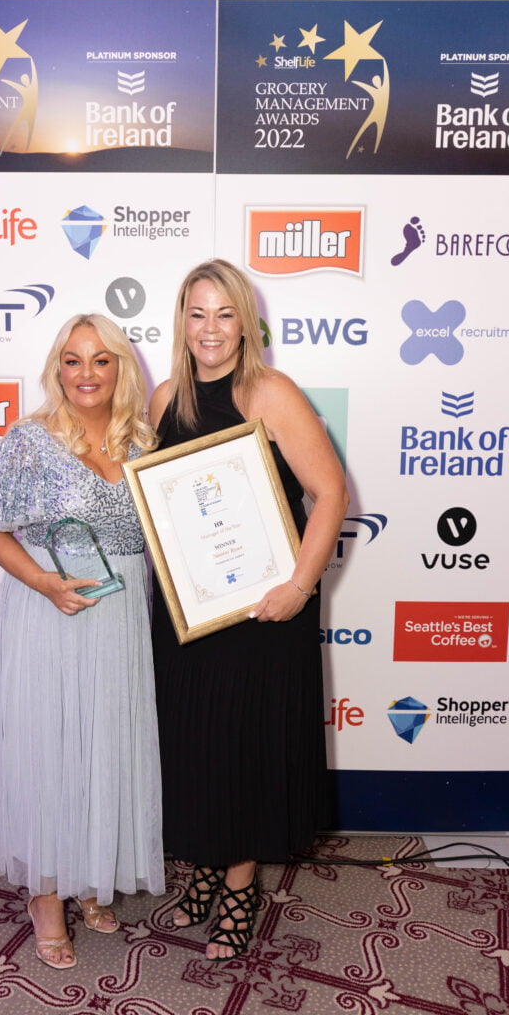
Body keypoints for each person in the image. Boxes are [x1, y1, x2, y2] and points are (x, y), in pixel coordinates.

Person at [149, 260, 349, 962]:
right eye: (197, 314)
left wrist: (298, 585)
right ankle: (205, 867)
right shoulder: (164, 397)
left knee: (245, 747)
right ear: (182, 322)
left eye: (224, 313)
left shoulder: (270, 392)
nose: (210, 329)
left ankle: (239, 886)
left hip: (264, 612)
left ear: (246, 323)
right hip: (191, 615)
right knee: (196, 744)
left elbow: (330, 493)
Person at [0, 314, 165, 970]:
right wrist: (44, 583)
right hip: (50, 615)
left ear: (121, 368)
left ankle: (90, 879)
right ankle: (47, 897)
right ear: (57, 368)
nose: (87, 373)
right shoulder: (29, 440)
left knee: (105, 745)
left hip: (122, 619)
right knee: (51, 747)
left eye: (101, 359)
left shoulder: (143, 442)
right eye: (73, 359)